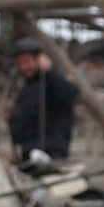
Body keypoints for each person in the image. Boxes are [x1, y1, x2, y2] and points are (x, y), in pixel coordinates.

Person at [7, 37, 79, 169]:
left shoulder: (54, 79)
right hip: (28, 149)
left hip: (51, 149)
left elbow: (71, 93)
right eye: (20, 63)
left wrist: (50, 71)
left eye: (27, 62)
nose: (24, 67)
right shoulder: (27, 85)